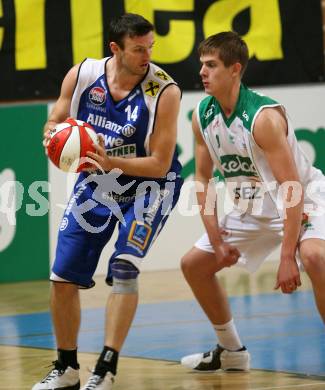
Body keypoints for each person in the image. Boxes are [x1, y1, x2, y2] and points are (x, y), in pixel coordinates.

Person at [32, 13, 183, 390]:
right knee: (62, 276)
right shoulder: (82, 75)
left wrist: (107, 159)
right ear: (115, 48)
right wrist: (56, 140)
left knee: (125, 266)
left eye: (150, 48)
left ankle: (106, 366)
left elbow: (160, 162)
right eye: (138, 49)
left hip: (151, 185)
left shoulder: (164, 91)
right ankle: (66, 367)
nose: (147, 56)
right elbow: (54, 120)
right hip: (98, 182)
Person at [180, 31, 325, 372]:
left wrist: (288, 256)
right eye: (202, 65)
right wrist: (216, 242)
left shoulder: (264, 119)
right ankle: (232, 351)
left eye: (211, 65)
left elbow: (292, 188)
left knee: (315, 258)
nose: (202, 72)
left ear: (235, 69)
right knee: (194, 265)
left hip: (302, 200)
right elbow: (202, 180)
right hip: (255, 210)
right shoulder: (201, 116)